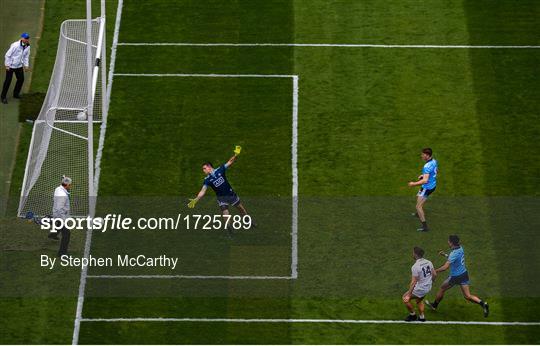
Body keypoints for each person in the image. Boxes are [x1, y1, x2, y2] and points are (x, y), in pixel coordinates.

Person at [188, 146, 253, 229]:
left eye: (204, 168)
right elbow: (203, 191)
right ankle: (230, 230)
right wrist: (196, 199)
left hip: (230, 194)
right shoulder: (207, 180)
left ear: (209, 167)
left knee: (241, 209)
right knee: (225, 213)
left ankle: (249, 222)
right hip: (221, 198)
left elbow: (230, 162)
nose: (203, 171)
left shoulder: (220, 170)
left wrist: (236, 154)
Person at [426, 235, 489, 317]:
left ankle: (434, 306)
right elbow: (455, 258)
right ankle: (483, 304)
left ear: (451, 243)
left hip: (455, 277)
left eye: (448, 241)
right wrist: (445, 255)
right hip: (464, 274)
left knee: (442, 288)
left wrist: (434, 271)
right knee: (467, 296)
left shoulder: (453, 254)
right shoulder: (460, 248)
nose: (447, 242)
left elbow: (445, 267)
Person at [408, 148, 438, 232]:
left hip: (427, 187)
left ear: (427, 155)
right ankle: (418, 214)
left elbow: (425, 180)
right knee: (418, 197)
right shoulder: (434, 161)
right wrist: (423, 175)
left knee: (418, 206)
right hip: (432, 185)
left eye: (423, 154)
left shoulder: (427, 166)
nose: (421, 156)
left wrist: (413, 183)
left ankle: (425, 227)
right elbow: (436, 171)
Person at [403, 246, 436, 322]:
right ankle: (422, 317)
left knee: (405, 298)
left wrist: (409, 294)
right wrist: (431, 282)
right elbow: (434, 274)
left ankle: (413, 315)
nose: (412, 254)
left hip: (420, 289)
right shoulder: (429, 262)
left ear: (415, 254)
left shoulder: (415, 267)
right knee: (419, 301)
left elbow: (413, 282)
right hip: (428, 287)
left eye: (413, 253)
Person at [2, 33, 31, 104]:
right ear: (22, 38)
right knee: (8, 81)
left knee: (21, 79)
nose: (26, 39)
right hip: (11, 66)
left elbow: (26, 56)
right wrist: (7, 65)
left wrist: (26, 65)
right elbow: (7, 55)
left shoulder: (28, 46)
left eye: (27, 38)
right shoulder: (15, 45)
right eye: (25, 38)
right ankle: (3, 97)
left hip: (19, 66)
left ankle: (16, 94)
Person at [50, 175, 72, 257]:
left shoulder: (58, 189)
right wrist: (64, 221)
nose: (70, 186)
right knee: (67, 234)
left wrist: (64, 178)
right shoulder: (63, 195)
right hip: (60, 215)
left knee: (58, 225)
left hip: (56, 213)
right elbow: (59, 209)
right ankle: (62, 253)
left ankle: (53, 235)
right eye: (70, 185)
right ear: (67, 185)